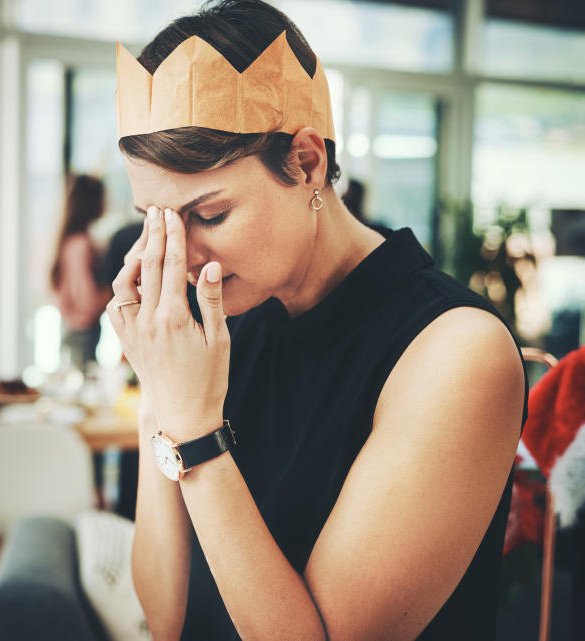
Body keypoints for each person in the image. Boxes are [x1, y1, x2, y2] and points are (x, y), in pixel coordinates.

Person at [106, 2, 526, 640]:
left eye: (209, 215)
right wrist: (160, 394)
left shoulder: (456, 352)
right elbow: (166, 618)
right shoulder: (220, 325)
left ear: (305, 163)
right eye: (156, 220)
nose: (182, 259)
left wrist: (194, 432)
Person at [50, 174, 112, 370]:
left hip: (77, 329)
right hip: (82, 331)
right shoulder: (80, 245)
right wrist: (111, 297)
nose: (106, 203)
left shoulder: (72, 242)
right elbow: (86, 297)